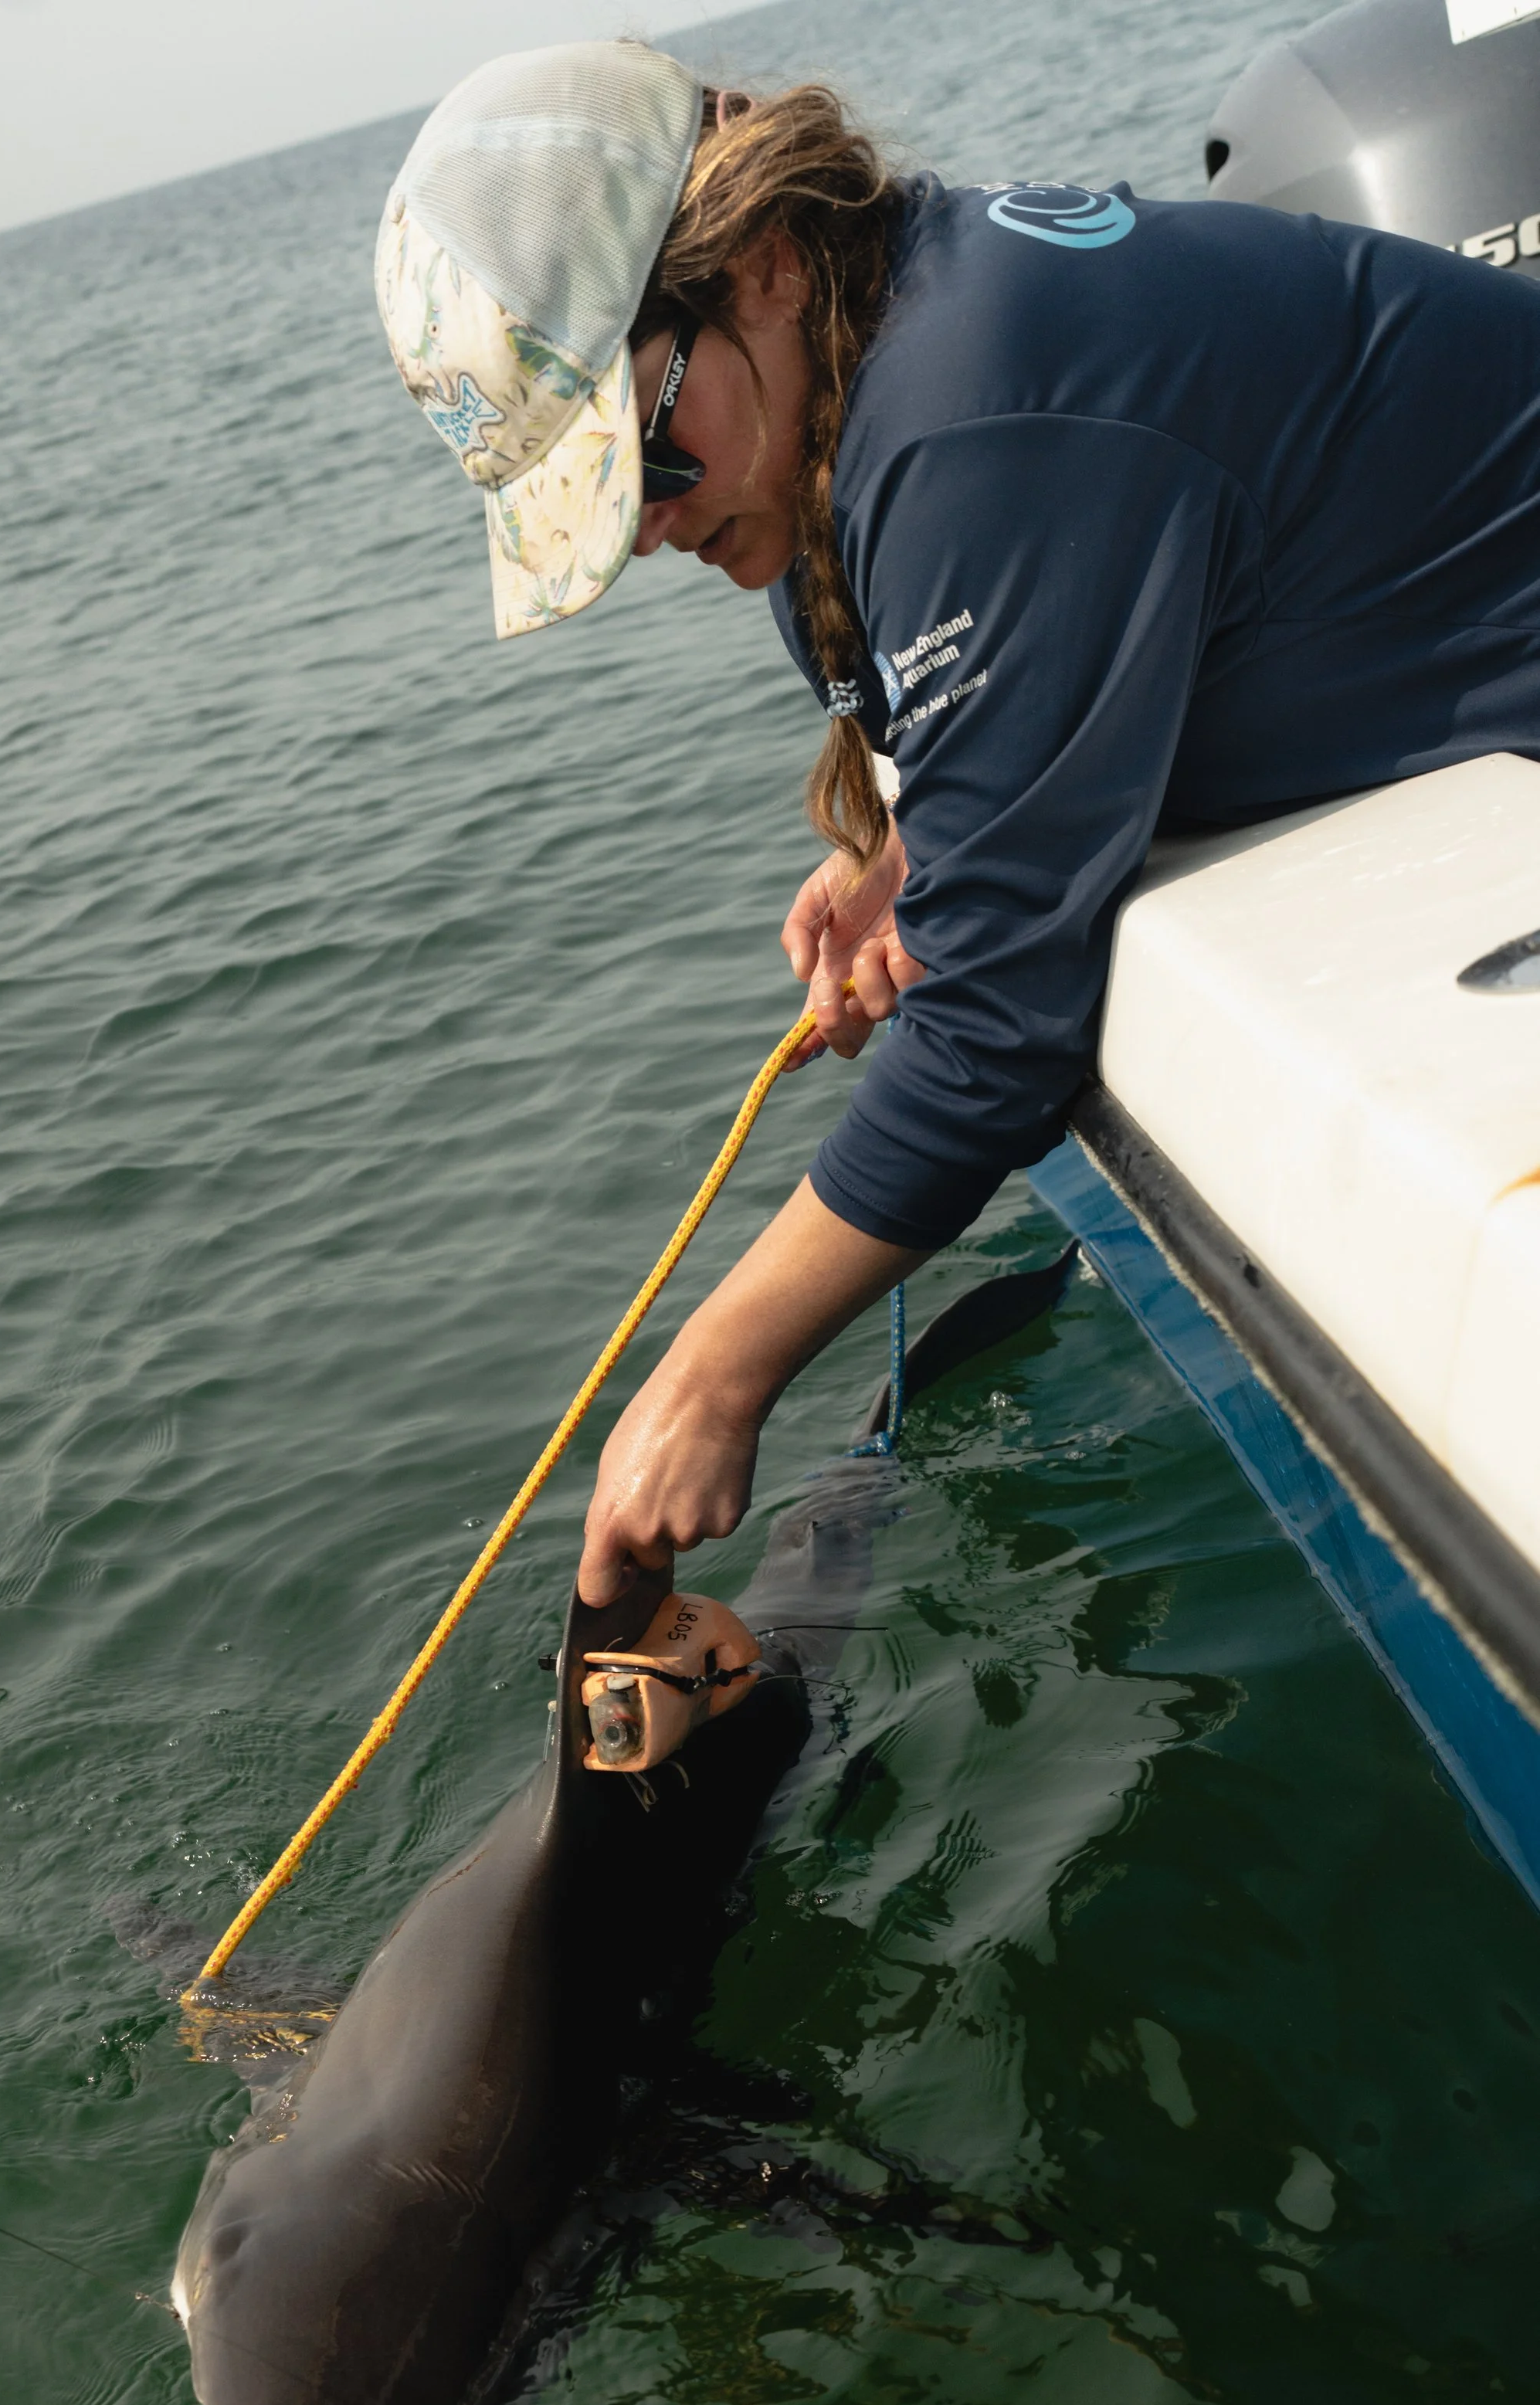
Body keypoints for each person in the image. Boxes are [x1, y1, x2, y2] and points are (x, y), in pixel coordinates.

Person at [375, 39, 1540, 1606]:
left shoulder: (968, 416)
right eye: (598, 502)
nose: (646, 524)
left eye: (639, 452)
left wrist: (714, 1377)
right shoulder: (889, 342)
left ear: (767, 263)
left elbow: (1000, 1012)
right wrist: (904, 859)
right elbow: (1067, 650)